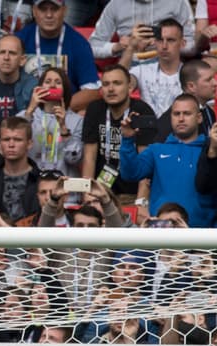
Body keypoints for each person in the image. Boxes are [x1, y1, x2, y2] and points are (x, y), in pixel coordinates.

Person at [120, 94, 215, 227]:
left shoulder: (211, 150)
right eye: (176, 114)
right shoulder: (156, 150)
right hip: (162, 233)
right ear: (170, 117)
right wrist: (127, 140)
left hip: (202, 237)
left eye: (187, 113)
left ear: (199, 118)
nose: (181, 119)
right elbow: (130, 174)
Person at [79, 64, 155, 201]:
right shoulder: (94, 109)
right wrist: (87, 196)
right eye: (106, 84)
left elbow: (145, 161)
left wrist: (140, 202)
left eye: (117, 83)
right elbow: (89, 157)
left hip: (132, 194)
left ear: (129, 87)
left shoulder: (142, 111)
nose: (111, 89)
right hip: (101, 192)